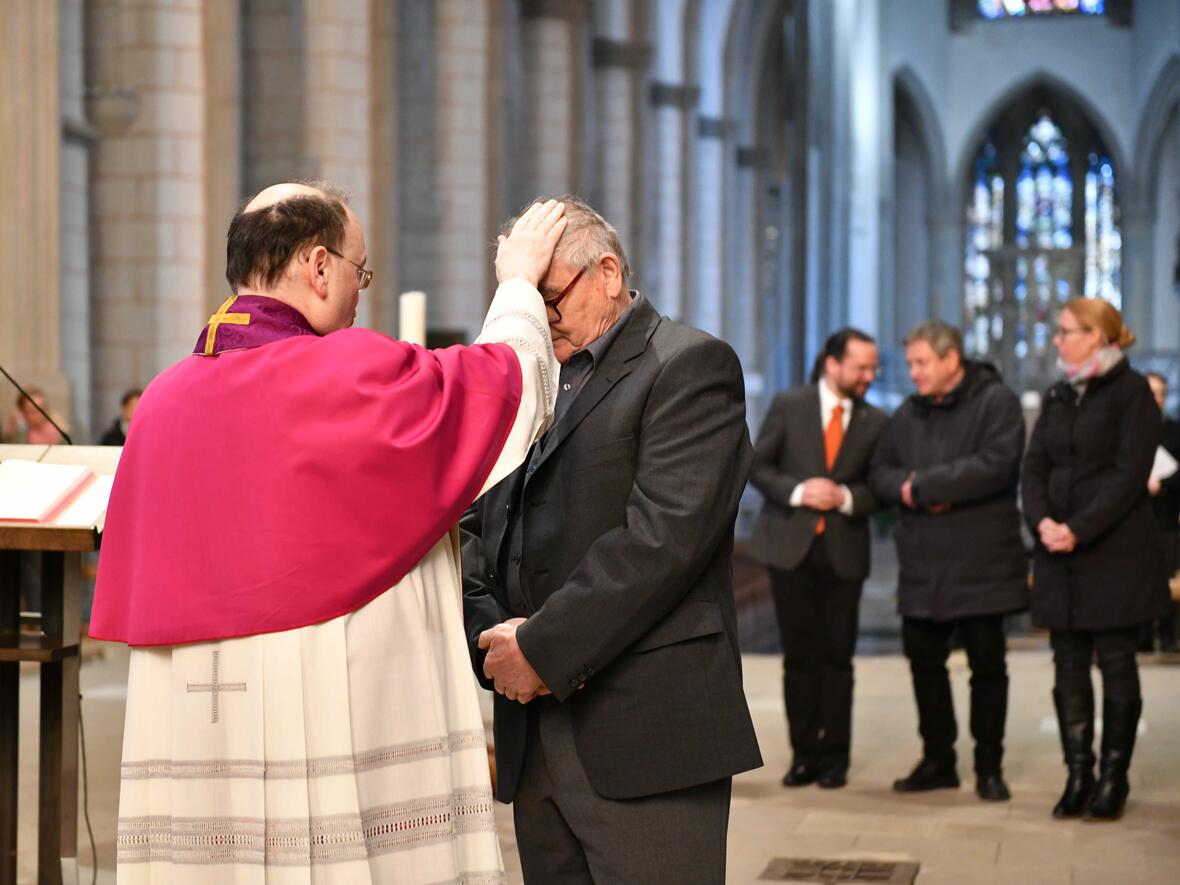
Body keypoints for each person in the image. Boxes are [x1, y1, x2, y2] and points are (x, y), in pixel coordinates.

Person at [89, 182, 564, 881]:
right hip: (329, 699)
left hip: (194, 713)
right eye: (357, 272)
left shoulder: (160, 401)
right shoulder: (347, 371)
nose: (357, 294)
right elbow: (505, 388)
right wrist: (520, 283)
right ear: (318, 267)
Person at [461, 195, 761, 884]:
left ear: (607, 271)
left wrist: (538, 647)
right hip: (534, 730)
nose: (536, 319)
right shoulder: (532, 375)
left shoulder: (687, 366)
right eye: (523, 301)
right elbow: (479, 523)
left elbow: (660, 542)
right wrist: (493, 642)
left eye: (548, 297)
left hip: (644, 729)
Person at [1023, 298, 1172, 821]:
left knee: (1115, 664)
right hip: (1060, 555)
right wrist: (1042, 522)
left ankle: (1113, 779)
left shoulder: (1132, 393)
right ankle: (1078, 775)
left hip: (1115, 554)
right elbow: (1034, 466)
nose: (1057, 340)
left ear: (1099, 335)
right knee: (1067, 667)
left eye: (1066, 332)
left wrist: (1077, 529)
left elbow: (1129, 475)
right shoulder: (1061, 393)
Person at [869, 320, 1027, 802]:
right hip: (924, 563)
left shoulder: (996, 402)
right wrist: (906, 487)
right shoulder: (907, 414)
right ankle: (939, 760)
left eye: (922, 363)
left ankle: (988, 766)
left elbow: (996, 466)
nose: (913, 373)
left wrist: (921, 487)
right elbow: (880, 471)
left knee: (987, 667)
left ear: (951, 359)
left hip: (982, 560)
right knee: (925, 664)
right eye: (911, 363)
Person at [748, 328, 888, 789]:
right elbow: (758, 466)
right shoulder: (791, 405)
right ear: (833, 363)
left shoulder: (875, 421)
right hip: (791, 550)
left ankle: (835, 759)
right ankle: (804, 754)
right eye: (862, 366)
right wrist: (798, 491)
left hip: (843, 552)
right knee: (800, 658)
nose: (871, 375)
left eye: (873, 367)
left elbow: (881, 489)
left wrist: (846, 497)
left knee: (837, 660)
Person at [1143, 371, 1179, 653]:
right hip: (1135, 518)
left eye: (1161, 393)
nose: (1156, 398)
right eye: (1150, 392)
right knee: (1138, 580)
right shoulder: (1125, 430)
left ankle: (1168, 638)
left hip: (1167, 518)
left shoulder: (1175, 431)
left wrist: (1162, 484)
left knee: (1168, 580)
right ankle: (1141, 638)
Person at [2, 387, 66, 444]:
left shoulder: (53, 428)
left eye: (43, 408)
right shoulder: (21, 427)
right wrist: (17, 425)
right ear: (23, 412)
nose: (40, 414)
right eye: (33, 411)